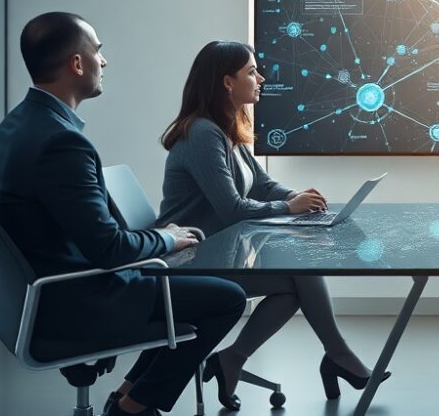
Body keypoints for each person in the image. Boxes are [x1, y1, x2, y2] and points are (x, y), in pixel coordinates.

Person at [0, 13, 247, 416]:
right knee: (227, 299)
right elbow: (108, 248)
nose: (103, 62)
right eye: (98, 51)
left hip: (39, 292)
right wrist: (168, 237)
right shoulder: (62, 142)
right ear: (76, 63)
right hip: (78, 298)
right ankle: (133, 409)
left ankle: (129, 394)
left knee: (187, 285)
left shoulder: (18, 124)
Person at [156, 40, 383, 409]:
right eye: (251, 72)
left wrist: (299, 199)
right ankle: (336, 355)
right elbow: (231, 209)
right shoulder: (203, 133)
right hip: (190, 261)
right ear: (227, 82)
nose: (261, 78)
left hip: (217, 254)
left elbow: (261, 183)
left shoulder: (226, 127)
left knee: (296, 282)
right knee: (300, 276)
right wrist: (288, 206)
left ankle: (237, 358)